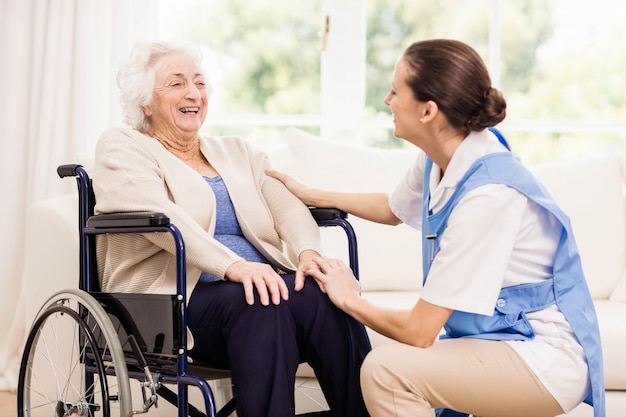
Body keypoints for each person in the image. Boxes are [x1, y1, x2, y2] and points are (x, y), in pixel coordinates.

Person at [267, 39, 605, 417]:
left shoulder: (489, 196)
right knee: (396, 368)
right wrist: (311, 192)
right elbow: (393, 208)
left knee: (386, 370)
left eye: (396, 90)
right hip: (502, 340)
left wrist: (349, 299)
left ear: (428, 110)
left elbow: (420, 331)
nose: (387, 100)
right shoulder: (442, 157)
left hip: (543, 359)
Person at [92, 41, 371, 417]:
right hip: (169, 300)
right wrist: (233, 267)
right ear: (145, 101)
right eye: (176, 84)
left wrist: (308, 254)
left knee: (327, 294)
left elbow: (287, 206)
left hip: (252, 290)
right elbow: (161, 218)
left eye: (200, 82)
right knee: (259, 301)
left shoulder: (239, 150)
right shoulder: (123, 146)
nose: (193, 93)